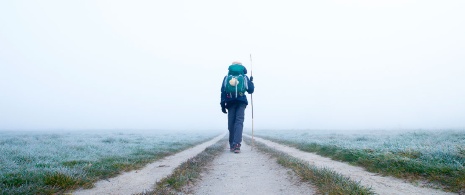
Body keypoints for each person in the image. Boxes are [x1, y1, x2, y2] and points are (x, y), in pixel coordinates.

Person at [220, 61, 255, 153]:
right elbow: (250, 90)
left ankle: (232, 144)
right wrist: (251, 82)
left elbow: (223, 91)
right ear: (242, 67)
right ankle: (237, 145)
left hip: (230, 102)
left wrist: (222, 105)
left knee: (231, 123)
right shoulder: (244, 77)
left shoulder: (227, 78)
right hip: (241, 102)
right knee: (239, 122)